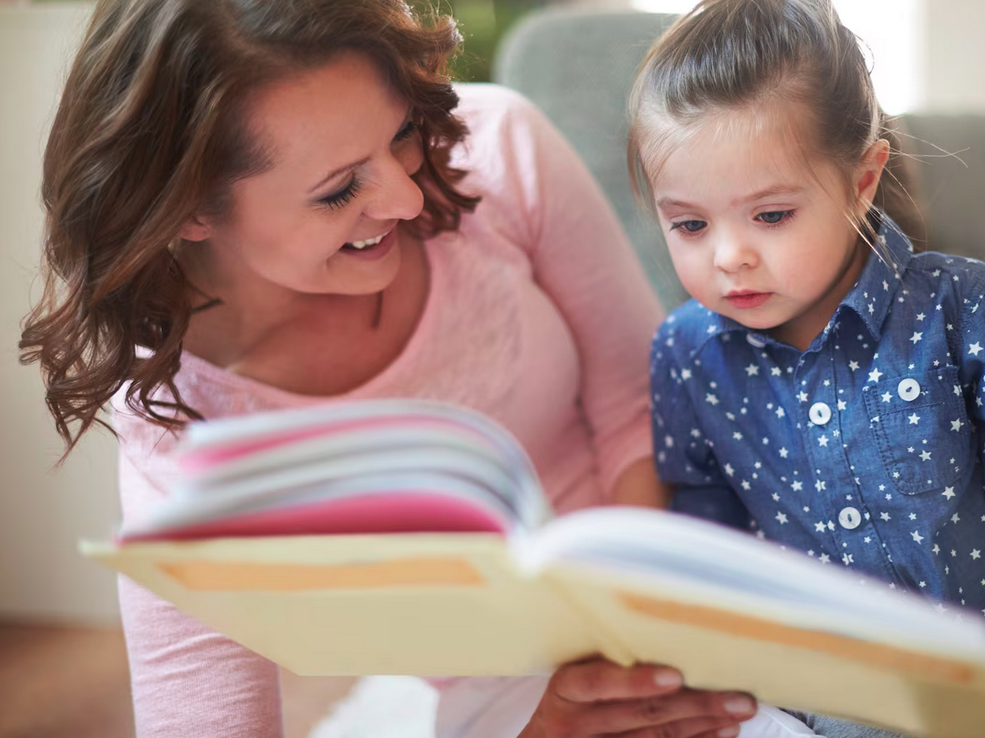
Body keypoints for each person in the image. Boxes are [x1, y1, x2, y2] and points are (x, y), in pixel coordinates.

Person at [15, 0, 782, 736]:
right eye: (338, 189)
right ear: (188, 208)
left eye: (401, 135)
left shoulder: (498, 148)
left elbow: (640, 409)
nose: (408, 197)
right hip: (502, 688)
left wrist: (632, 633)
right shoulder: (177, 425)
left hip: (672, 570)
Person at [629, 1, 985, 737]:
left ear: (862, 180)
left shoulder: (974, 315)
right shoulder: (686, 353)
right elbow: (708, 528)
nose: (727, 255)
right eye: (690, 224)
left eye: (769, 216)